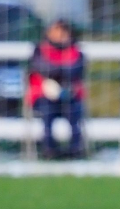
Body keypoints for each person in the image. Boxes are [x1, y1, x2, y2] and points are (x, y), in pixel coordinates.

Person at [28, 19, 86, 159]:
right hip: (43, 97)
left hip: (69, 95)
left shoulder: (75, 50)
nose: (59, 34)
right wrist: (61, 72)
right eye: (56, 30)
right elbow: (41, 67)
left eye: (62, 31)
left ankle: (75, 150)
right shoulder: (40, 49)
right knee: (47, 113)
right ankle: (49, 150)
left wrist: (58, 73)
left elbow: (76, 69)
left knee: (75, 112)